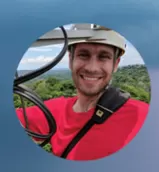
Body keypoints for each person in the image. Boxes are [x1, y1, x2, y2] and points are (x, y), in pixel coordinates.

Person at [15, 26, 149, 161]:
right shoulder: (53, 112)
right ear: (70, 60)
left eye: (104, 57)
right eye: (83, 55)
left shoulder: (141, 115)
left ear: (115, 64)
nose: (92, 68)